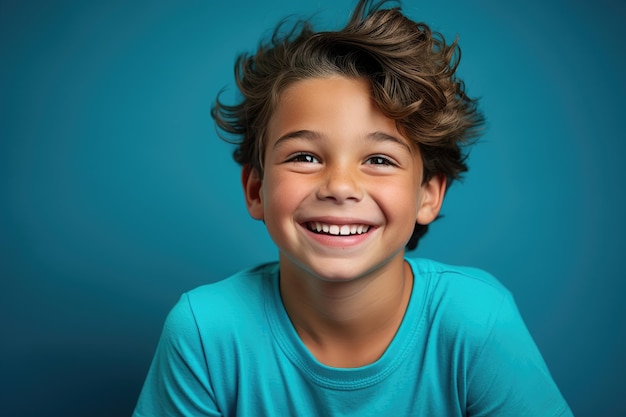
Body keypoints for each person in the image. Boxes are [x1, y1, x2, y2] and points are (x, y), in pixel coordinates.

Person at [133, 0, 573, 415]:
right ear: (255, 189)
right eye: (304, 157)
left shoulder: (477, 322)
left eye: (379, 160)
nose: (340, 186)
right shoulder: (206, 332)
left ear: (428, 195)